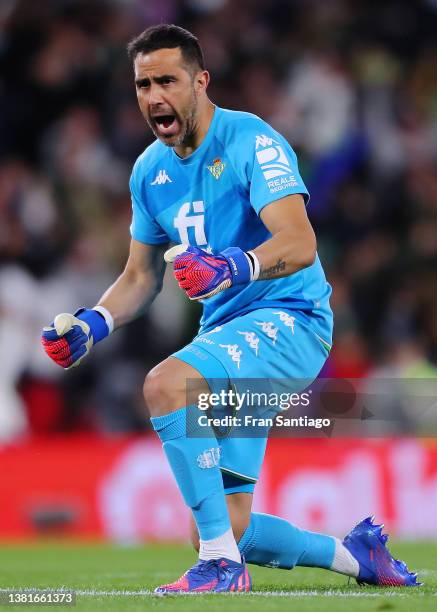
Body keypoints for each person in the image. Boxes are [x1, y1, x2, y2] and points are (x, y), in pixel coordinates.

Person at [41, 24, 419, 594]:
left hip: (290, 318)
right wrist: (94, 324)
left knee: (167, 384)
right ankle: (355, 557)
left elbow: (299, 242)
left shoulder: (251, 140)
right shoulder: (150, 171)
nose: (154, 97)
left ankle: (221, 570)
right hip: (230, 334)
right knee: (224, 526)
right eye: (143, 85)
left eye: (167, 80)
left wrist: (233, 266)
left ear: (201, 81)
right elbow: (141, 275)